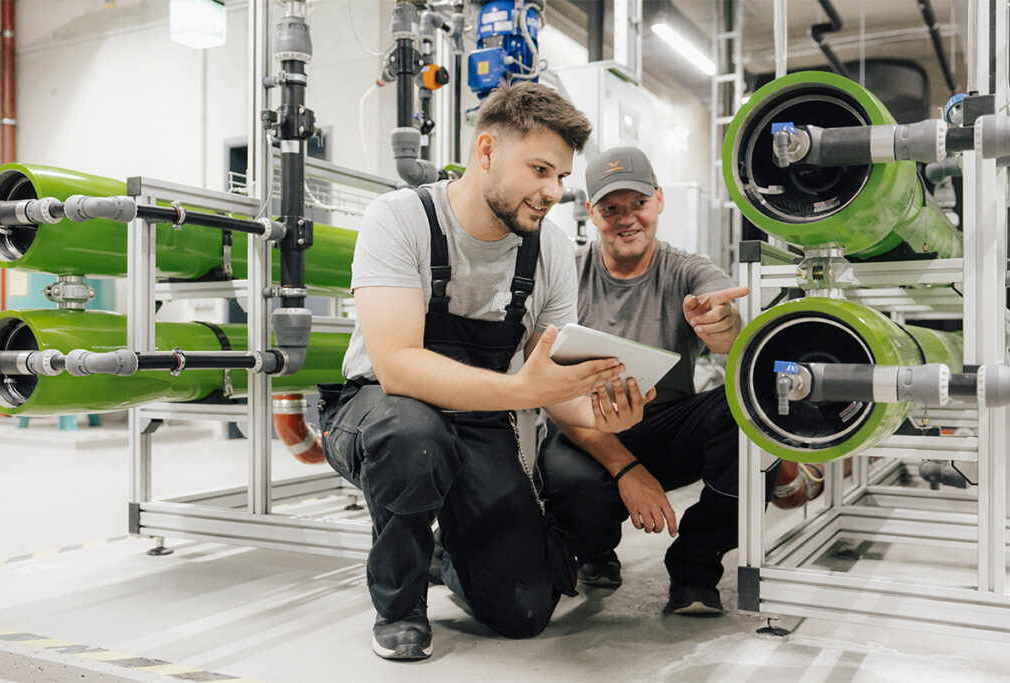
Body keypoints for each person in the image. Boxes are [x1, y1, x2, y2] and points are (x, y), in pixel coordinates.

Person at [318, 84, 654, 661]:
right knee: (414, 439)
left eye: (561, 177)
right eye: (540, 169)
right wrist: (522, 389)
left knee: (523, 613)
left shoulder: (548, 250)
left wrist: (604, 410)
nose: (553, 191)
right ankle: (400, 607)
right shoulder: (401, 219)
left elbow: (553, 386)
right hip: (379, 411)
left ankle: (453, 550)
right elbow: (397, 366)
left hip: (480, 420)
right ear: (488, 151)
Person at [537, 146, 780, 616]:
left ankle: (695, 566)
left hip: (665, 426)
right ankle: (594, 548)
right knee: (576, 498)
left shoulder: (686, 269)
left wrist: (722, 323)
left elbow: (724, 317)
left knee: (752, 406)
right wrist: (628, 471)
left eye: (638, 205)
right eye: (611, 209)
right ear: (592, 213)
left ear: (660, 201)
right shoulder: (566, 273)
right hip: (586, 428)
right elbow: (552, 397)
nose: (627, 219)